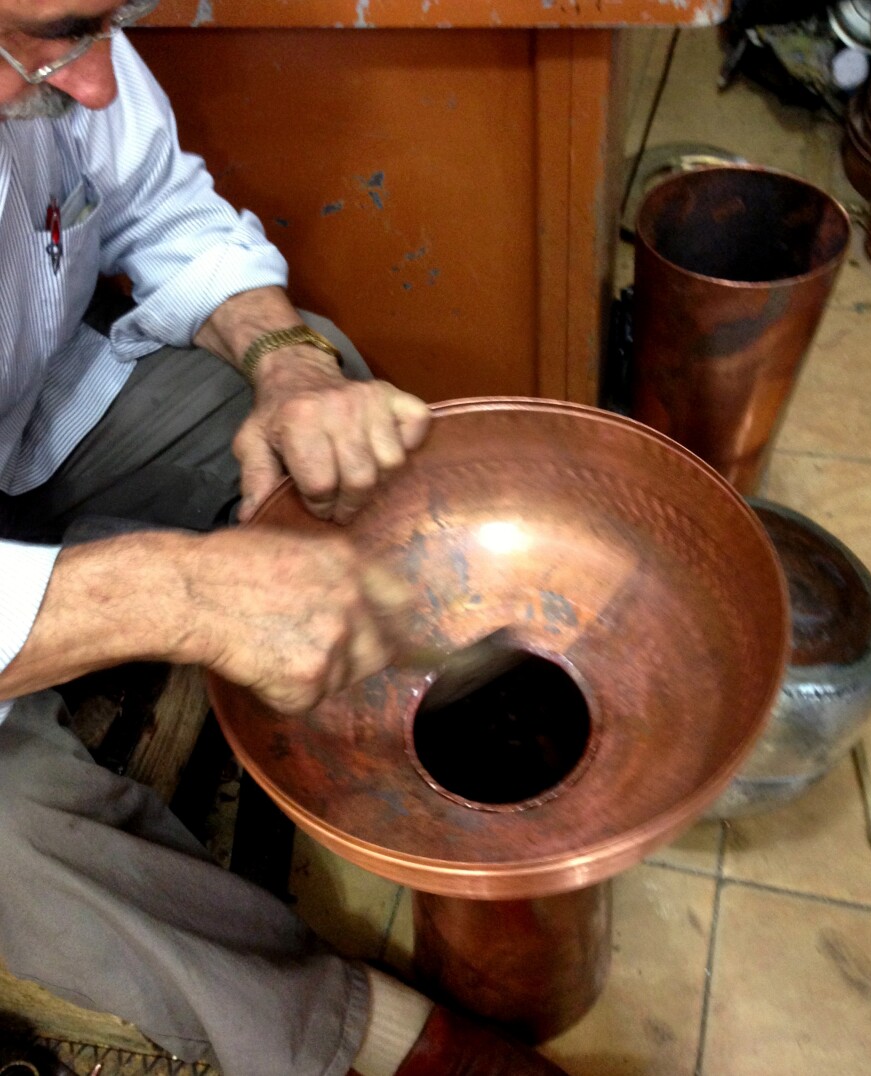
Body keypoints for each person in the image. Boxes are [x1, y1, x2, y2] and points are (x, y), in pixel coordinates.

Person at [0, 3, 572, 1074]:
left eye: (98, 28)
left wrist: (289, 360)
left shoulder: (65, 55)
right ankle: (363, 1034)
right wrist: (181, 593)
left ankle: (405, 775)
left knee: (327, 447)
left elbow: (160, 206)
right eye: (46, 38)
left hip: (25, 434)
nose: (93, 84)